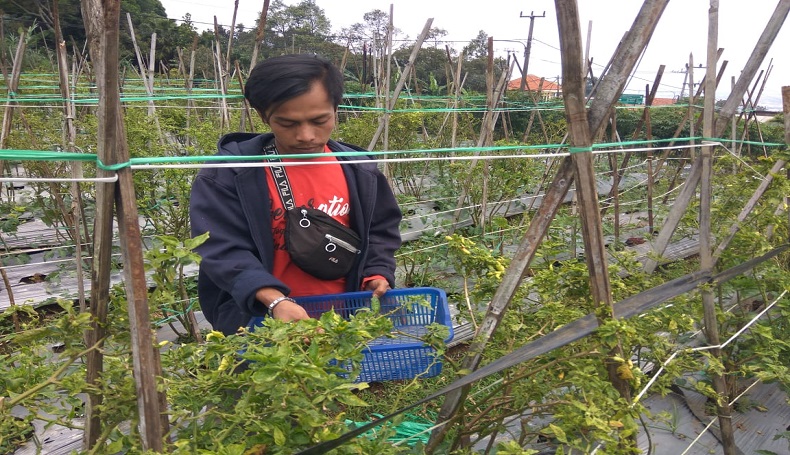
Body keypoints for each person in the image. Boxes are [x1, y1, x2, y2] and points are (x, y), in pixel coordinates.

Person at [190, 54, 402, 335]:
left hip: (345, 319)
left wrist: (377, 271)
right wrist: (275, 300)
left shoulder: (359, 170)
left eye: (319, 120)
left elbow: (380, 230)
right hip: (260, 321)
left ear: (336, 109)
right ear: (263, 115)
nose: (306, 135)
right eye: (288, 124)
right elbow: (221, 248)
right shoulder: (230, 173)